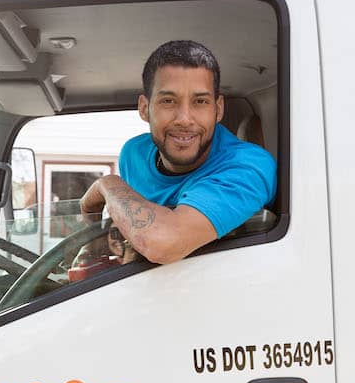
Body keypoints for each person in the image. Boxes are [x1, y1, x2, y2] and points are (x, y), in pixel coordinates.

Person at [80, 40, 277, 265]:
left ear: (218, 108)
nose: (184, 119)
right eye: (168, 101)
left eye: (200, 101)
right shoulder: (133, 153)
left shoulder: (250, 166)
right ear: (145, 109)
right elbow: (135, 226)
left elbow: (162, 243)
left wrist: (107, 185)